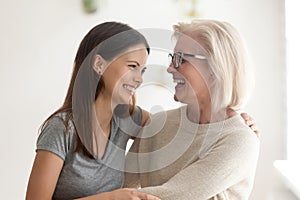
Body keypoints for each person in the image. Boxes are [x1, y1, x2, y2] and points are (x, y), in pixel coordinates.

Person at [124, 19, 260, 200]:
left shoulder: (240, 139)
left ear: (215, 68)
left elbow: (173, 196)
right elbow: (118, 185)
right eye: (172, 59)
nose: (170, 68)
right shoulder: (157, 124)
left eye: (181, 59)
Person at [25, 21, 160, 200]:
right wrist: (111, 198)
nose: (139, 79)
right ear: (99, 64)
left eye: (142, 71)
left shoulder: (127, 119)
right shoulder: (63, 128)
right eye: (132, 66)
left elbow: (173, 129)